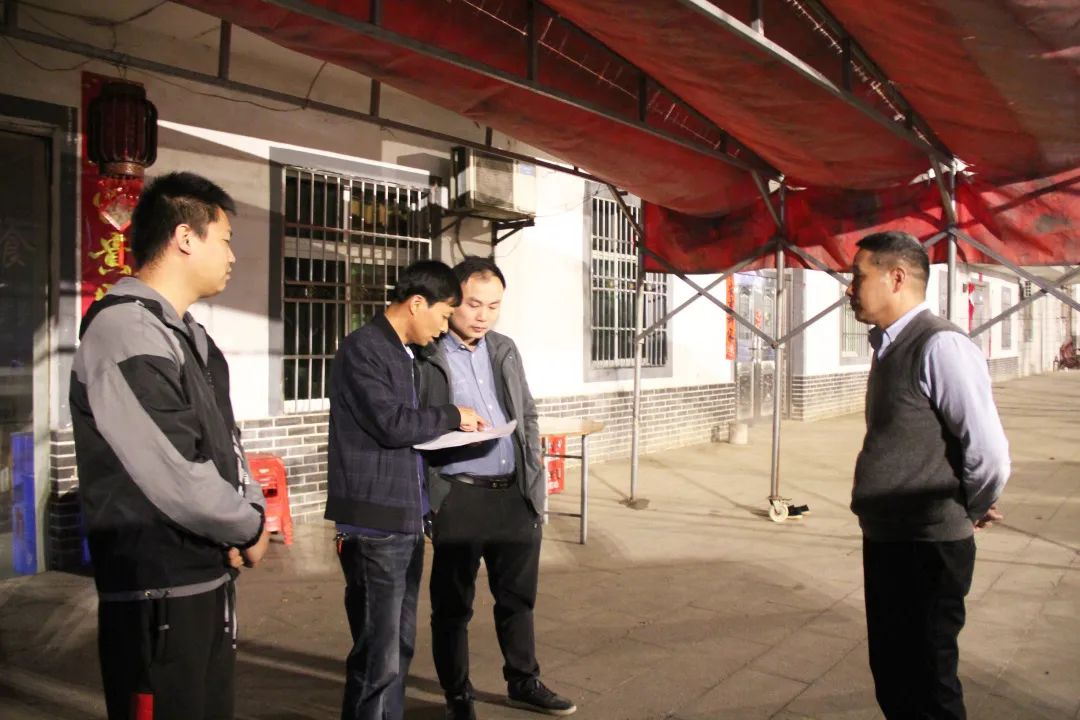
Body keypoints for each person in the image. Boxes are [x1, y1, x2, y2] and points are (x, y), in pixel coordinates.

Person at [70, 171, 270, 720]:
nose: (232, 256)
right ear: (185, 237)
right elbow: (175, 470)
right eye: (224, 240)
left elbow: (226, 442)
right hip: (155, 591)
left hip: (204, 577)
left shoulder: (190, 336)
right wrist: (248, 527)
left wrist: (249, 511)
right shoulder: (125, 332)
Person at [846, 231, 1010, 719]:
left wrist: (971, 506)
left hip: (928, 548)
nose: (850, 289)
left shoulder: (940, 345)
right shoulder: (888, 346)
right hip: (889, 538)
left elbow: (989, 451)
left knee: (928, 685)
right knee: (894, 676)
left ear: (896, 278)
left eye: (858, 276)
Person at [326, 259, 485, 720]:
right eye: (444, 314)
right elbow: (392, 423)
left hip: (402, 517)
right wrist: (452, 416)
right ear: (417, 303)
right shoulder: (365, 349)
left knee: (396, 647)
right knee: (379, 654)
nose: (444, 327)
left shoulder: (401, 352)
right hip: (374, 523)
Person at [422, 257, 577, 719]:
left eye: (493, 306)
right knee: (453, 607)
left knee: (518, 599)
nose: (483, 316)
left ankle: (523, 681)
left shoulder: (504, 348)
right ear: (453, 300)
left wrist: (534, 480)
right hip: (458, 494)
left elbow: (525, 413)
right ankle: (458, 695)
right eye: (474, 304)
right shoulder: (428, 353)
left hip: (513, 494)